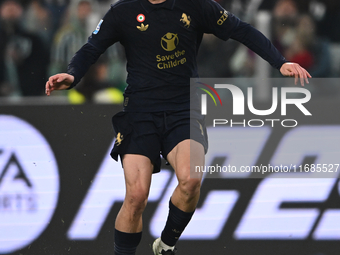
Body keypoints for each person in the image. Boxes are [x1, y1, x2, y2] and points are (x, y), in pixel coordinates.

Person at [45, 0, 311, 254]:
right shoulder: (123, 11)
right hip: (140, 111)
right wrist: (72, 74)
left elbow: (240, 29)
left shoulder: (195, 5)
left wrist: (280, 61)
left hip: (183, 110)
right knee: (137, 196)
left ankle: (166, 244)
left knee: (191, 179)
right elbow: (92, 47)